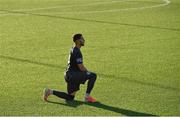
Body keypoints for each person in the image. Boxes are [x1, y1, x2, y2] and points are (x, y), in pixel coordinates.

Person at [43, 33, 97, 103]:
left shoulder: (73, 49)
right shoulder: (77, 52)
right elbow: (81, 67)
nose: (84, 40)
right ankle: (87, 97)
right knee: (93, 75)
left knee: (70, 97)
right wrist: (87, 73)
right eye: (82, 39)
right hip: (73, 75)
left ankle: (50, 91)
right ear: (77, 41)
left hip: (69, 75)